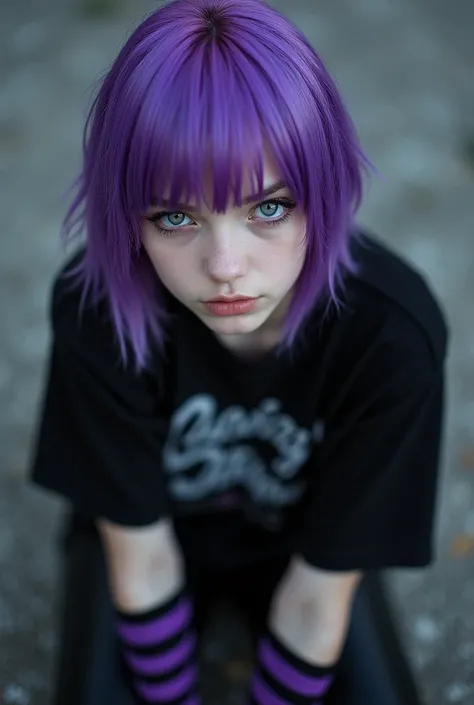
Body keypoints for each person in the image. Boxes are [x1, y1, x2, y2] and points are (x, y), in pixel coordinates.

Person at [30, 1, 448, 703]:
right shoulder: (98, 310)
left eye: (269, 207)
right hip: (143, 533)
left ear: (327, 187)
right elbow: (142, 563)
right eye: (174, 215)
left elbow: (319, 597)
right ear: (124, 213)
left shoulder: (391, 336)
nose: (225, 264)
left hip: (306, 540)